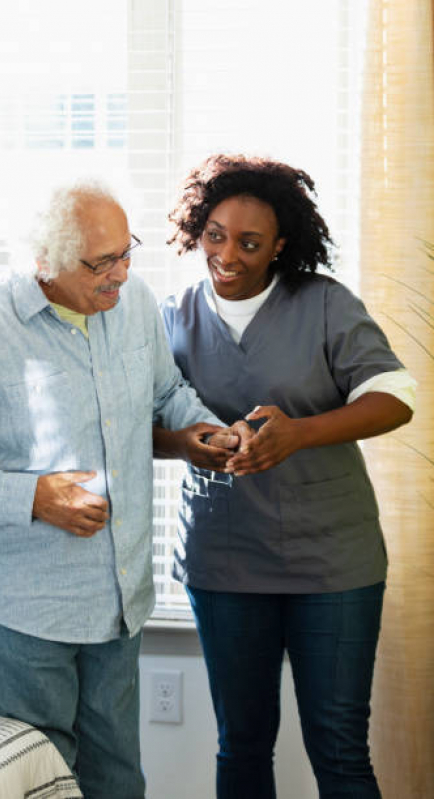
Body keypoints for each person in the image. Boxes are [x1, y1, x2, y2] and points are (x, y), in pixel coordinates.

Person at [0, 178, 245, 799]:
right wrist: (31, 498)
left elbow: (166, 396)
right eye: (101, 263)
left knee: (117, 782)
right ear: (45, 260)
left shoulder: (133, 308)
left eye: (125, 253)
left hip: (116, 605)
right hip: (19, 616)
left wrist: (205, 431)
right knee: (36, 787)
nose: (120, 275)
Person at [153, 154, 416, 799]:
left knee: (338, 745)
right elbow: (132, 426)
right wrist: (187, 444)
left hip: (333, 563)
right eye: (215, 234)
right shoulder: (170, 316)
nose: (229, 255)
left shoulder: (324, 304)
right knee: (241, 745)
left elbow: (396, 395)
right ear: (197, 230)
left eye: (250, 242)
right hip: (225, 559)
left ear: (281, 245)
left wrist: (300, 433)